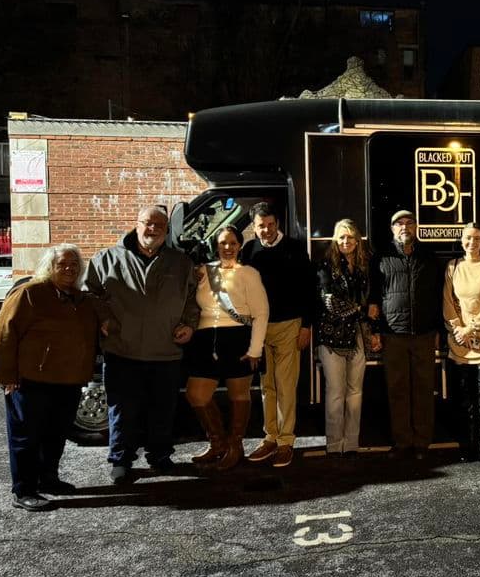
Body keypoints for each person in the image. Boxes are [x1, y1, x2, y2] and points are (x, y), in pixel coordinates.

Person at [85, 206, 198, 485]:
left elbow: (193, 299)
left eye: (160, 225)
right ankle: (121, 460)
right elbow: (91, 294)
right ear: (136, 224)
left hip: (166, 350)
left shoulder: (180, 262)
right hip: (123, 349)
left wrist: (189, 324)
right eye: (148, 223)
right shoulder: (107, 259)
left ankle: (159, 455)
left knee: (163, 408)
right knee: (123, 409)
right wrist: (105, 318)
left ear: (166, 231)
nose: (153, 229)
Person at [0, 244, 99, 510]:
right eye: (62, 264)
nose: (69, 269)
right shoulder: (29, 294)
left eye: (74, 265)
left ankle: (48, 479)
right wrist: (6, 375)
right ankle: (24, 490)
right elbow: (4, 336)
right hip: (30, 379)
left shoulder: (80, 299)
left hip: (68, 380)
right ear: (49, 267)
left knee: (55, 435)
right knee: (26, 437)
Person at [185, 226, 269, 470]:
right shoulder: (203, 271)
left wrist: (255, 349)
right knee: (196, 394)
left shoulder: (248, 273)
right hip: (205, 338)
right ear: (216, 245)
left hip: (237, 337)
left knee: (238, 395)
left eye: (233, 242)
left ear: (240, 245)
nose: (228, 247)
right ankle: (217, 443)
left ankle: (235, 446)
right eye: (223, 242)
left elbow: (261, 313)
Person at [240, 202, 315, 468]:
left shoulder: (295, 248)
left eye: (271, 225)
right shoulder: (248, 250)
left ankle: (286, 441)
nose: (267, 230)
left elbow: (309, 288)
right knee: (266, 386)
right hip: (260, 328)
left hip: (289, 326)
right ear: (254, 227)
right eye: (262, 226)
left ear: (278, 224)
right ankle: (270, 437)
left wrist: (306, 325)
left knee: (285, 386)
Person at [368, 210, 442, 460]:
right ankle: (402, 442)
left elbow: (438, 295)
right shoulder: (381, 257)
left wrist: (438, 330)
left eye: (409, 223)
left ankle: (422, 443)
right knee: (397, 390)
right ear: (392, 229)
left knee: (423, 389)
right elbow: (374, 298)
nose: (404, 227)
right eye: (399, 224)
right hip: (394, 334)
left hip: (424, 333)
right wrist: (375, 330)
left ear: (416, 227)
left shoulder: (429, 257)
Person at [316, 218, 379, 458]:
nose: (345, 241)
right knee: (335, 392)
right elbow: (331, 302)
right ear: (335, 239)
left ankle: (351, 443)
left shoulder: (366, 264)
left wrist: (373, 324)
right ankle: (334, 445)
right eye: (341, 237)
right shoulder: (325, 265)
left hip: (358, 336)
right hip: (332, 337)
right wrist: (364, 310)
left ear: (357, 239)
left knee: (355, 391)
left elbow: (375, 298)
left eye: (350, 237)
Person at [443, 222, 480, 471]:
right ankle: (467, 446)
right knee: (464, 398)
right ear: (462, 240)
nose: (472, 242)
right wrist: (458, 329)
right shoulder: (453, 267)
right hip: (459, 342)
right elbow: (448, 301)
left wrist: (472, 327)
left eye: (477, 238)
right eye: (468, 238)